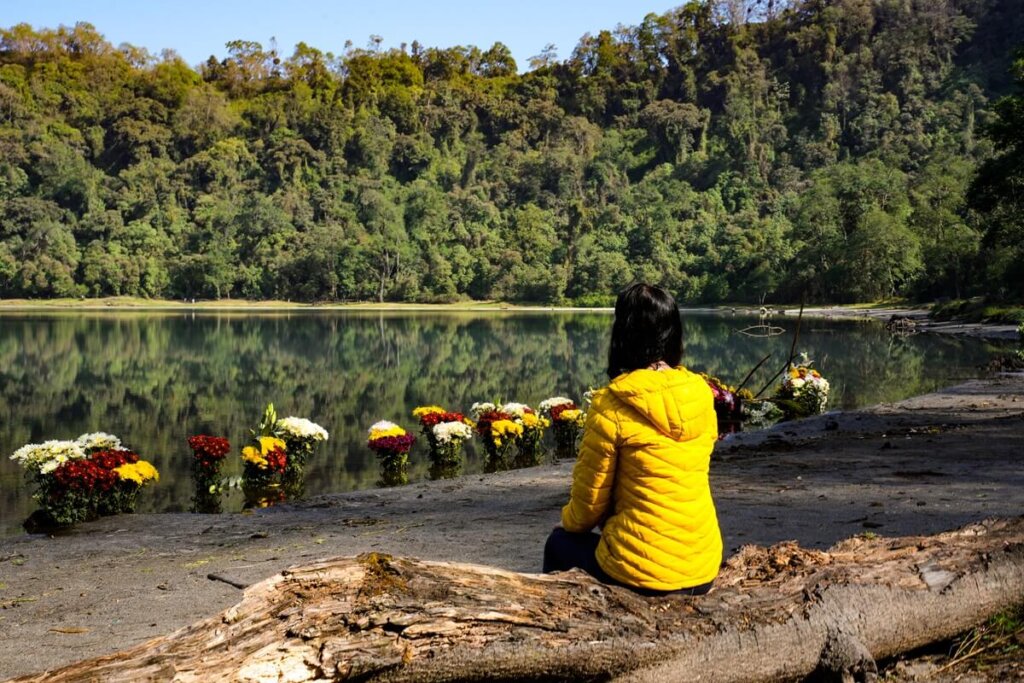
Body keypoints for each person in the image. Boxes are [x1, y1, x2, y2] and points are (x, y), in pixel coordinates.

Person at [543, 283, 722, 596]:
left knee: (560, 543)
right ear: (674, 333)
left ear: (622, 334)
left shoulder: (611, 405)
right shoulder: (700, 394)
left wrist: (567, 523)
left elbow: (587, 509)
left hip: (642, 573)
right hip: (702, 567)